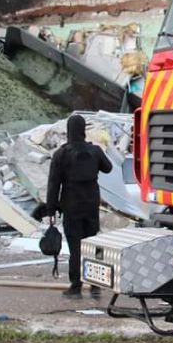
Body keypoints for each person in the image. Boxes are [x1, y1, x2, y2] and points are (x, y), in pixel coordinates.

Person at [44, 114, 112, 298]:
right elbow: (108, 168)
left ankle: (75, 287)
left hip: (71, 205)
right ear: (83, 130)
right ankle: (95, 285)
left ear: (68, 131)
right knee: (92, 244)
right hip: (91, 204)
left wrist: (51, 209)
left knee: (75, 247)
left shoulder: (62, 154)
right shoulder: (95, 151)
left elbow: (53, 183)